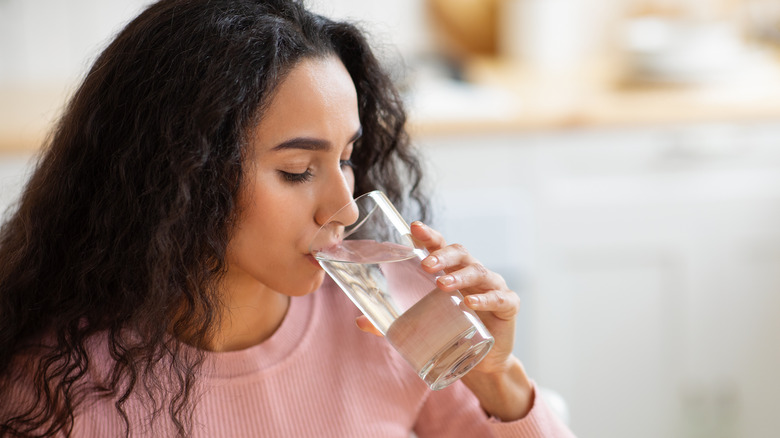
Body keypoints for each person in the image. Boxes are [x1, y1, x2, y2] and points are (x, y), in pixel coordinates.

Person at [0, 0, 575, 436]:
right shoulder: (57, 383)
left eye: (346, 159)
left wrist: (497, 378)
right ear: (179, 175)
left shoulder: (392, 318)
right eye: (298, 169)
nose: (345, 209)